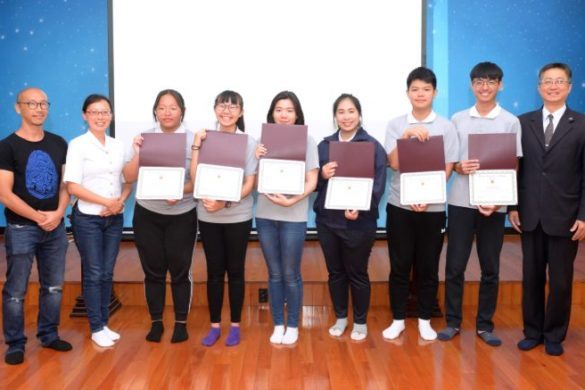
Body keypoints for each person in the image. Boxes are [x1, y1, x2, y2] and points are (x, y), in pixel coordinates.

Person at [437, 62, 522, 346]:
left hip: (493, 205)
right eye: (479, 81)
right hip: (461, 202)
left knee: (490, 267)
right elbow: (451, 162)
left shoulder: (510, 121)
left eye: (491, 81)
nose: (484, 87)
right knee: (454, 266)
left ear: (501, 85)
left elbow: (514, 166)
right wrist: (460, 168)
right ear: (471, 85)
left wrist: (500, 202)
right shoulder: (458, 119)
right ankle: (453, 322)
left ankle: (485, 325)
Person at [510, 63, 585, 356]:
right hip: (530, 214)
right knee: (531, 277)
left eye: (559, 81)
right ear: (539, 87)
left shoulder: (581, 124)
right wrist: (513, 206)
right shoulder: (522, 122)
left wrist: (583, 215)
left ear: (569, 87)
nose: (553, 86)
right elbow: (514, 169)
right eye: (547, 81)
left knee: (561, 280)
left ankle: (554, 333)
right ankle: (532, 331)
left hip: (566, 217)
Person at [382, 67, 459, 341]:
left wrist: (429, 197)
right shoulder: (395, 124)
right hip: (400, 207)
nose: (420, 94)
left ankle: (425, 319)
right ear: (407, 93)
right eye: (415, 89)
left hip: (433, 208)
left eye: (426, 89)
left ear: (434, 93)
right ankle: (398, 319)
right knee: (399, 265)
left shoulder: (446, 126)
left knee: (428, 266)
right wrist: (405, 137)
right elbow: (392, 163)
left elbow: (449, 165)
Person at [0, 87, 72, 365]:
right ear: (18, 108)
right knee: (16, 291)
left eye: (44, 103)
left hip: (55, 226)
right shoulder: (6, 146)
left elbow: (67, 184)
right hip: (22, 229)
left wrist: (58, 212)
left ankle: (49, 334)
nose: (39, 108)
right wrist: (38, 216)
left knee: (53, 286)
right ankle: (15, 342)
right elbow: (5, 193)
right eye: (32, 103)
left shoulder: (58, 143)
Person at [124, 89, 197, 343]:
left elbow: (199, 181)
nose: (167, 112)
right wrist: (137, 153)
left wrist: (180, 191)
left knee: (180, 271)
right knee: (153, 271)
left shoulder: (194, 141)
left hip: (182, 213)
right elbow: (129, 177)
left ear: (182, 111)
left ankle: (180, 323)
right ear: (155, 110)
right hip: (148, 214)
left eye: (173, 107)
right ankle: (156, 322)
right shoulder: (144, 139)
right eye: (162, 107)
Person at [314, 93, 387, 341]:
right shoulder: (324, 146)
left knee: (357, 272)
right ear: (335, 116)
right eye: (341, 112)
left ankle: (360, 321)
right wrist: (322, 175)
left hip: (360, 222)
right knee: (335, 273)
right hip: (328, 221)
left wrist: (361, 206)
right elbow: (314, 184)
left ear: (359, 114)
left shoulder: (373, 146)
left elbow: (378, 184)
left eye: (351, 111)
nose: (346, 116)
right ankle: (341, 317)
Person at [64, 94, 132, 347]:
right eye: (94, 112)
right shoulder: (78, 145)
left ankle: (104, 322)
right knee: (93, 273)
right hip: (88, 218)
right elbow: (72, 186)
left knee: (106, 272)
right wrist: (106, 203)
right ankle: (96, 326)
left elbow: (126, 181)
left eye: (105, 112)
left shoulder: (118, 145)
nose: (100, 117)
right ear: (85, 115)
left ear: (111, 115)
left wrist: (119, 201)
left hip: (114, 218)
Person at [191, 90, 257, 347]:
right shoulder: (205, 138)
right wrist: (197, 144)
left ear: (241, 112)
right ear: (214, 108)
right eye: (222, 105)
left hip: (237, 215)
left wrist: (225, 203)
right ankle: (215, 325)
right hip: (208, 214)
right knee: (214, 272)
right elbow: (196, 178)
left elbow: (250, 181)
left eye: (233, 107)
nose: (227, 111)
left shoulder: (249, 142)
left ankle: (236, 326)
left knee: (236, 271)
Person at [255, 91, 319, 345]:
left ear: (297, 114)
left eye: (289, 110)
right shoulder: (261, 141)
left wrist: (292, 200)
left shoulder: (308, 141)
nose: (284, 114)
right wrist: (256, 157)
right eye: (279, 109)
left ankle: (292, 323)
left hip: (294, 214)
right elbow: (253, 178)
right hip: (265, 214)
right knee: (274, 273)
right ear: (272, 113)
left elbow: (312, 180)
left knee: (291, 273)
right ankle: (278, 324)